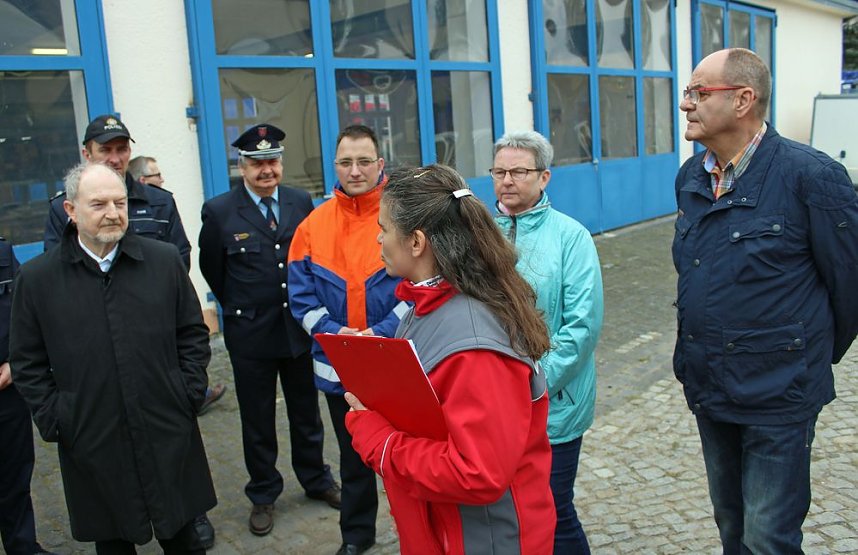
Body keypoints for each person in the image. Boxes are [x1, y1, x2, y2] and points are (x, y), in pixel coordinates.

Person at [673, 48, 858, 553]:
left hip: (779, 394)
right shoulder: (692, 176)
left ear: (743, 100)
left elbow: (848, 287)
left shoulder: (812, 177)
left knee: (768, 538)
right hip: (710, 387)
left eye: (698, 92)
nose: (685, 103)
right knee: (731, 526)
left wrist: (800, 356)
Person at [345, 164, 557, 554]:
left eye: (384, 227)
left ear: (416, 242)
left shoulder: (475, 344)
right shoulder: (431, 302)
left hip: (485, 540)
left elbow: (478, 472)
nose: (378, 238)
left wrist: (380, 440)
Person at [10, 162, 217, 554]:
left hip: (166, 423)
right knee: (113, 539)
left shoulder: (163, 261)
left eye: (120, 202)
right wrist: (58, 417)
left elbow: (191, 333)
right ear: (70, 211)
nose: (112, 213)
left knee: (184, 536)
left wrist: (187, 390)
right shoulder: (38, 280)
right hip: (91, 434)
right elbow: (27, 361)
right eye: (99, 204)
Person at [198, 123, 340, 537]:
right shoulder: (220, 210)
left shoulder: (299, 201)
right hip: (251, 335)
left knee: (306, 412)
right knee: (257, 418)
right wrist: (242, 308)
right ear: (241, 166)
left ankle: (316, 479)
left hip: (296, 330)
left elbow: (310, 258)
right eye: (257, 163)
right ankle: (263, 492)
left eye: (272, 161)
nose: (266, 170)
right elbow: (214, 271)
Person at [288, 125, 407, 555]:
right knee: (354, 457)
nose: (354, 171)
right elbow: (300, 300)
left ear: (380, 164)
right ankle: (356, 537)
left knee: (410, 456)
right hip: (339, 368)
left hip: (400, 362)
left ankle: (421, 534)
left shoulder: (405, 216)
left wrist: (379, 334)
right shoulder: (312, 226)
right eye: (345, 162)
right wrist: (341, 337)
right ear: (334, 166)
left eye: (363, 161)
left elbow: (423, 283)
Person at [492, 130, 603, 553]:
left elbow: (582, 327)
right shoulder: (479, 234)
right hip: (494, 401)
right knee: (507, 511)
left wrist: (534, 386)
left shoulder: (570, 237)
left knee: (554, 509)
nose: (507, 180)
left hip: (554, 403)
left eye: (519, 171)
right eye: (500, 171)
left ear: (544, 177)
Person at [127, 153, 227, 416]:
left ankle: (195, 395)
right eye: (156, 175)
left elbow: (181, 252)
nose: (161, 179)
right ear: (142, 180)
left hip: (166, 306)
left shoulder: (163, 204)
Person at [44, 115, 191, 270]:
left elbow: (179, 262)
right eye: (105, 150)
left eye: (122, 149)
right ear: (87, 155)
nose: (114, 159)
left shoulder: (159, 201)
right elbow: (56, 268)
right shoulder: (65, 207)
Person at [0, 239, 52, 555]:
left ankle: (22, 546)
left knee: (14, 474)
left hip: (6, 388)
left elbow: (22, 313)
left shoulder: (3, 254)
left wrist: (11, 361)